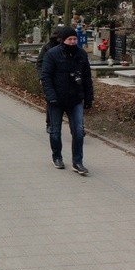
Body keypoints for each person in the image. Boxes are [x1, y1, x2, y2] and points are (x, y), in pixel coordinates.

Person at [40, 26, 93, 175]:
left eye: (74, 39)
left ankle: (78, 162)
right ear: (63, 40)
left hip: (75, 99)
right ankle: (57, 156)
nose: (72, 42)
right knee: (55, 131)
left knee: (78, 131)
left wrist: (89, 97)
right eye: (69, 39)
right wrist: (51, 96)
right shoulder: (52, 54)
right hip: (56, 99)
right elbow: (46, 77)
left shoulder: (81, 54)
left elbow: (87, 78)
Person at [36, 27, 61, 133]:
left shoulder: (68, 47)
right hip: (50, 79)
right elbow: (40, 63)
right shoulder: (47, 47)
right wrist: (42, 77)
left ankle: (78, 127)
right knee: (51, 102)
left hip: (65, 79)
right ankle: (50, 123)